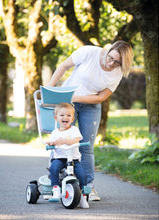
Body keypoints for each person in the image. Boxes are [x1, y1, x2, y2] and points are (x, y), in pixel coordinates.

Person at [48, 40, 134, 201]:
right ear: (109, 49)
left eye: (117, 63)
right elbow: (64, 66)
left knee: (85, 146)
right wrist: (49, 89)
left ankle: (89, 187)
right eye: (111, 58)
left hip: (91, 106)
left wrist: (77, 97)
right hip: (67, 104)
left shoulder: (117, 72)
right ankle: (57, 182)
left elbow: (101, 97)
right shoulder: (89, 52)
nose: (111, 63)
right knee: (60, 141)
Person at [47, 102, 89, 208]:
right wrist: (51, 143)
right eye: (62, 115)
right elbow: (53, 142)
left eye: (68, 115)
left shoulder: (74, 130)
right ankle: (56, 189)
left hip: (73, 159)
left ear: (72, 118)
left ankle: (83, 196)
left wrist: (64, 140)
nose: (65, 117)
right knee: (54, 168)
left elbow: (75, 140)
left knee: (82, 175)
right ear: (56, 118)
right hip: (60, 158)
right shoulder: (55, 132)